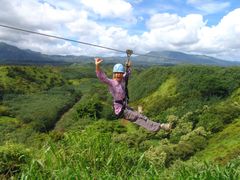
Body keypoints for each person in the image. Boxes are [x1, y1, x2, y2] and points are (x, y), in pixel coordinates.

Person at [95, 57, 171, 132]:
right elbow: (102, 78)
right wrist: (97, 66)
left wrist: (128, 66)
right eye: (116, 73)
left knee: (141, 116)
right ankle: (160, 126)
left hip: (125, 106)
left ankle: (140, 113)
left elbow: (127, 73)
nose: (118, 75)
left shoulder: (122, 80)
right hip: (120, 110)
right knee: (138, 118)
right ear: (114, 74)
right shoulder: (112, 83)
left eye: (120, 73)